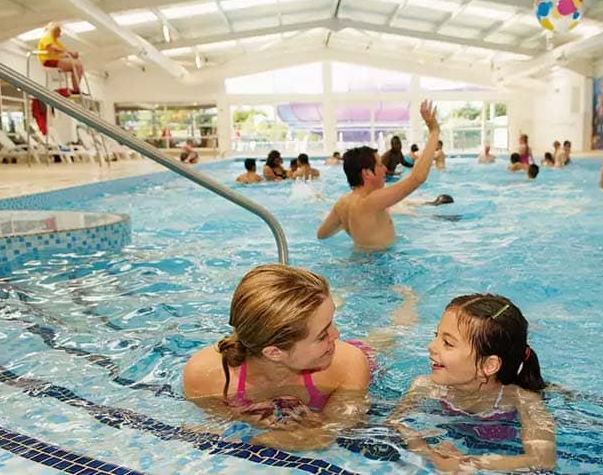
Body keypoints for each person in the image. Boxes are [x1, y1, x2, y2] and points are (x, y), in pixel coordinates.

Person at [182, 265, 371, 450]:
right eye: (322, 334)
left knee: (379, 341)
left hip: (363, 357)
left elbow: (326, 437)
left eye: (331, 321)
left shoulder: (347, 364)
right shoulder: (205, 375)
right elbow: (211, 428)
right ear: (274, 353)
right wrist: (238, 417)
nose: (337, 333)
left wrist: (315, 428)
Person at [388, 294, 556, 472]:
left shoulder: (523, 401)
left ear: (489, 365)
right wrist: (429, 453)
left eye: (447, 343)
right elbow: (394, 424)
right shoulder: (425, 386)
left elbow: (542, 461)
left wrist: (469, 463)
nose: (431, 346)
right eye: (436, 335)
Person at [316, 100, 441, 250]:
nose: (384, 170)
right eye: (380, 165)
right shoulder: (371, 201)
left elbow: (322, 234)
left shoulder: (343, 203)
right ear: (367, 173)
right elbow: (417, 178)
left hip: (362, 264)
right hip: (379, 268)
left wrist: (354, 224)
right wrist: (434, 131)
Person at [37, 22, 84, 95]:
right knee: (77, 65)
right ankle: (76, 89)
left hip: (55, 60)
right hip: (48, 61)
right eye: (59, 30)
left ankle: (76, 88)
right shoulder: (47, 37)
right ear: (54, 30)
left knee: (79, 64)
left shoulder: (55, 41)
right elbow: (53, 48)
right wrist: (70, 53)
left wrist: (72, 54)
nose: (60, 33)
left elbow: (64, 51)